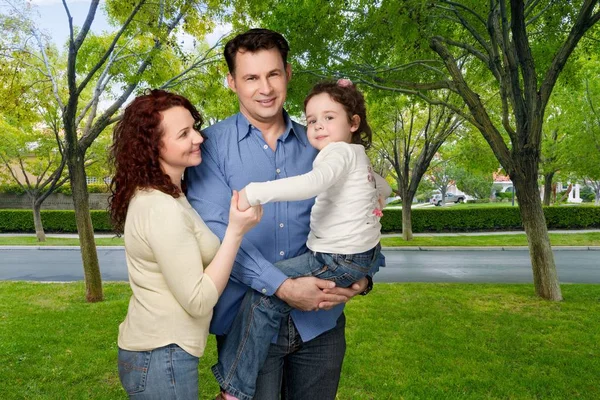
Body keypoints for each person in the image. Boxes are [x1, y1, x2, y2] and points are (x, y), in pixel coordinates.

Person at [186, 29, 383, 400]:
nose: (265, 88)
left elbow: (363, 209)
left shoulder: (323, 141)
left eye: (273, 74)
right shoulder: (209, 149)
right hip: (248, 327)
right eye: (251, 77)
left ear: (288, 74)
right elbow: (215, 235)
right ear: (232, 82)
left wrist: (364, 278)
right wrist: (283, 287)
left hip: (320, 325)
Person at [109, 89, 262, 399]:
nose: (198, 138)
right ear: (154, 147)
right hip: (159, 354)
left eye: (195, 127)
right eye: (184, 134)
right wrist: (235, 232)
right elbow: (198, 299)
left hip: (161, 353)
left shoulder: (173, 195)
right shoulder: (160, 207)